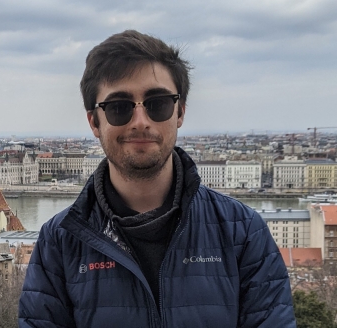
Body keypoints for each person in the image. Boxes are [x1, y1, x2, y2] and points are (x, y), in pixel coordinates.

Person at [19, 30, 295, 327]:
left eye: (158, 103)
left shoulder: (243, 232)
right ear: (94, 122)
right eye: (119, 107)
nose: (140, 122)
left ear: (180, 113)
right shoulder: (59, 242)